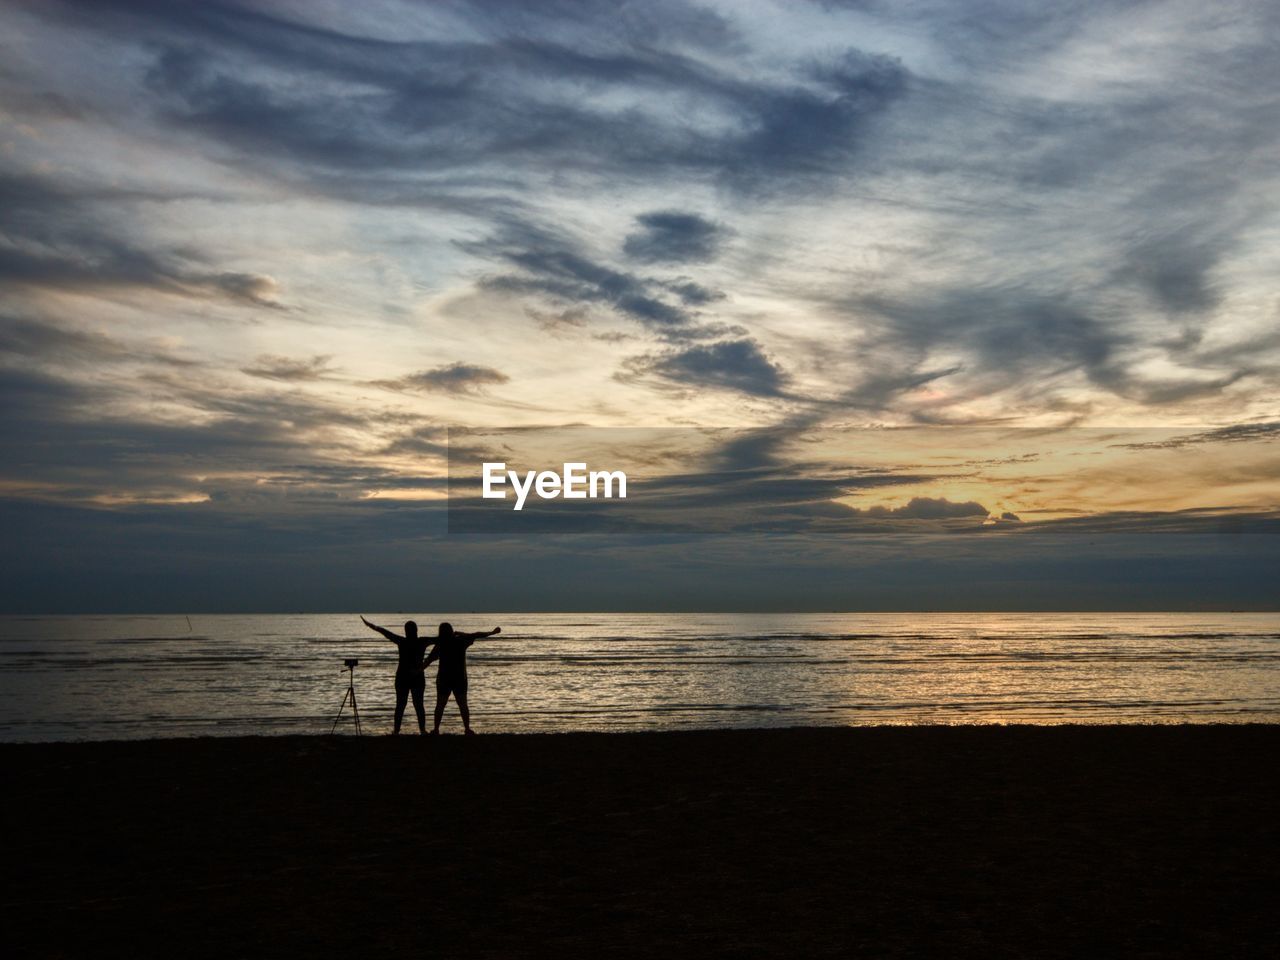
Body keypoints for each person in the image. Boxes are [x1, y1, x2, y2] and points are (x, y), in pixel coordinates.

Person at [359, 616, 432, 735]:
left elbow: (384, 632)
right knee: (418, 705)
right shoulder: (422, 641)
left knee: (401, 705)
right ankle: (422, 730)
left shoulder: (402, 641)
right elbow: (441, 638)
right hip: (417, 677)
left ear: (405, 631)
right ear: (416, 630)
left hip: (403, 677)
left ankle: (397, 731)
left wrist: (370, 625)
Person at [425, 622, 500, 735]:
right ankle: (467, 728)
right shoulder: (460, 641)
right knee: (462, 704)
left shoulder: (441, 643)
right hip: (459, 678)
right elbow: (475, 635)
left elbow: (429, 659)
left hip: (444, 678)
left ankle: (436, 729)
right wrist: (491, 632)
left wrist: (419, 669)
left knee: (440, 704)